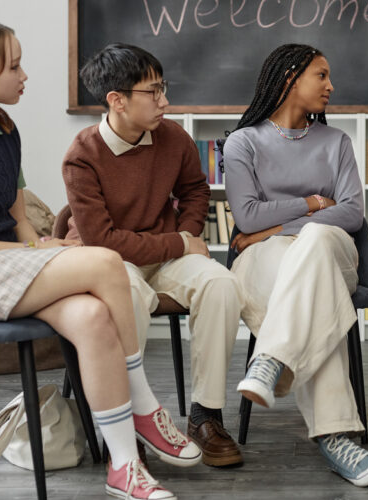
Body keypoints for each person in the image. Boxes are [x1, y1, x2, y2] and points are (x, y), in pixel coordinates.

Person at [0, 18, 202, 500]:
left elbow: (16, 215)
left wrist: (36, 245)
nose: (25, 76)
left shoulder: (3, 128)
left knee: (92, 316)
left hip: (9, 266)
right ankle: (145, 407)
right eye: (15, 66)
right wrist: (31, 251)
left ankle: (124, 467)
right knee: (106, 262)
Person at [61, 43, 250, 467]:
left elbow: (195, 191)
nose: (165, 101)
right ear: (117, 100)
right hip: (107, 263)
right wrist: (181, 242)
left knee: (221, 283)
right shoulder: (81, 155)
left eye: (164, 88)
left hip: (162, 256)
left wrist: (185, 232)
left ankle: (206, 415)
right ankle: (126, 427)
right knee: (125, 294)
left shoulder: (173, 137)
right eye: (153, 92)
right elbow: (104, 242)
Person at [220, 43, 368, 487]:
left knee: (314, 240)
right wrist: (312, 203)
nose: (331, 86)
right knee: (319, 296)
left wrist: (273, 229)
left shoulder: (337, 142)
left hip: (332, 249)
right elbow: (246, 217)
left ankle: (271, 359)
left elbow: (351, 214)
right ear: (291, 78)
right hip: (265, 264)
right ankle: (336, 438)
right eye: (322, 75)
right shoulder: (243, 142)